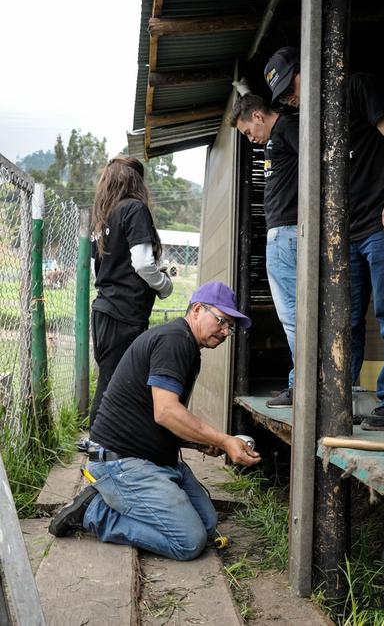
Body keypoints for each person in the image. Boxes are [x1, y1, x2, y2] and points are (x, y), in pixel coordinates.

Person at [264, 46, 384, 431]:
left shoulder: (358, 88)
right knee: (343, 321)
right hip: (347, 235)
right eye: (281, 96)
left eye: (290, 86)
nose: (289, 98)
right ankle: (340, 396)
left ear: (310, 68)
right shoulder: (311, 121)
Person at [49, 282, 261, 560]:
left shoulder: (186, 345)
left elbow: (153, 415)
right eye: (222, 321)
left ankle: (122, 502)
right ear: (197, 310)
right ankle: (95, 513)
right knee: (189, 541)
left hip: (155, 461)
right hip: (122, 462)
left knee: (208, 524)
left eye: (230, 327)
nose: (225, 332)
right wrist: (223, 439)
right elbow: (166, 412)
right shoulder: (175, 340)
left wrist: (201, 442)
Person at [89, 155, 172, 428]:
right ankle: (100, 442)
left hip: (103, 309)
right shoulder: (134, 209)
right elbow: (142, 263)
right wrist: (163, 285)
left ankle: (103, 441)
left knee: (110, 377)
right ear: (136, 180)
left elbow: (96, 267)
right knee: (117, 381)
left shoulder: (102, 216)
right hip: (125, 313)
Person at [230, 93, 299, 408]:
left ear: (257, 115)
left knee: (293, 317)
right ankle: (299, 383)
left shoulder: (287, 128)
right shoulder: (277, 137)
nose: (251, 139)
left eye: (247, 131)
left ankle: (301, 385)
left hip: (288, 233)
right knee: (292, 317)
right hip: (282, 234)